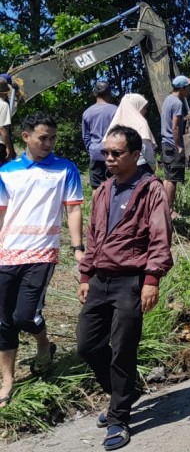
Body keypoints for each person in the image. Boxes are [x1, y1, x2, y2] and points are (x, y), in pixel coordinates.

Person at [77, 125, 172, 450]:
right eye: (106, 153)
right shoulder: (103, 190)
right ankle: (125, 392)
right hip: (100, 279)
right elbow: (93, 235)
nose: (109, 158)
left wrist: (151, 280)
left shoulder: (150, 190)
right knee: (87, 345)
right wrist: (86, 276)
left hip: (131, 281)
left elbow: (160, 237)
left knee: (123, 350)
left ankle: (118, 418)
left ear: (135, 155)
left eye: (116, 153)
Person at [0, 113, 84, 409]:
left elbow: (73, 209)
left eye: (52, 138)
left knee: (24, 316)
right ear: (25, 137)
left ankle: (43, 345)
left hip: (42, 253)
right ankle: (7, 381)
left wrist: (78, 247)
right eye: (42, 138)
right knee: (3, 320)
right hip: (7, 253)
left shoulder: (65, 169)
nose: (48, 143)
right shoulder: (7, 172)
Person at [160, 75, 190, 217]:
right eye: (188, 86)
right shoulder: (178, 103)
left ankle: (165, 208)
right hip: (173, 144)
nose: (189, 89)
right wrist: (179, 145)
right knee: (173, 179)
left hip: (165, 143)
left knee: (168, 177)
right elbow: (174, 127)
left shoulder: (168, 100)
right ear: (182, 88)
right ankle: (170, 210)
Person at [105, 93, 157, 176]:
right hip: (140, 166)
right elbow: (146, 149)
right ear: (136, 107)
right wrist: (152, 166)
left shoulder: (115, 123)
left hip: (119, 167)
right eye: (144, 108)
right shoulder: (141, 123)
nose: (145, 111)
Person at [81, 81, 118, 187]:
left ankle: (97, 204)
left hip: (95, 153)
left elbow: (86, 136)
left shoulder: (87, 112)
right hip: (113, 154)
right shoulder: (115, 110)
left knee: (96, 188)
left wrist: (92, 149)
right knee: (114, 186)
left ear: (95, 94)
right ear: (109, 94)